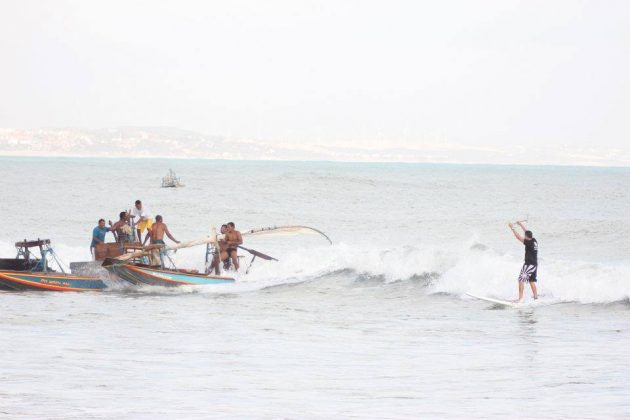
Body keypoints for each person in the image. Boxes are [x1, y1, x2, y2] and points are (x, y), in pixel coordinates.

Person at [509, 221, 539, 302]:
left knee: (521, 280)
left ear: (526, 237)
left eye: (525, 236)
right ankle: (536, 297)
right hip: (534, 264)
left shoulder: (528, 242)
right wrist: (520, 224)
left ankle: (520, 298)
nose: (524, 236)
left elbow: (518, 237)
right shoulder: (534, 240)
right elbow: (526, 231)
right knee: (531, 280)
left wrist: (512, 228)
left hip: (529, 264)